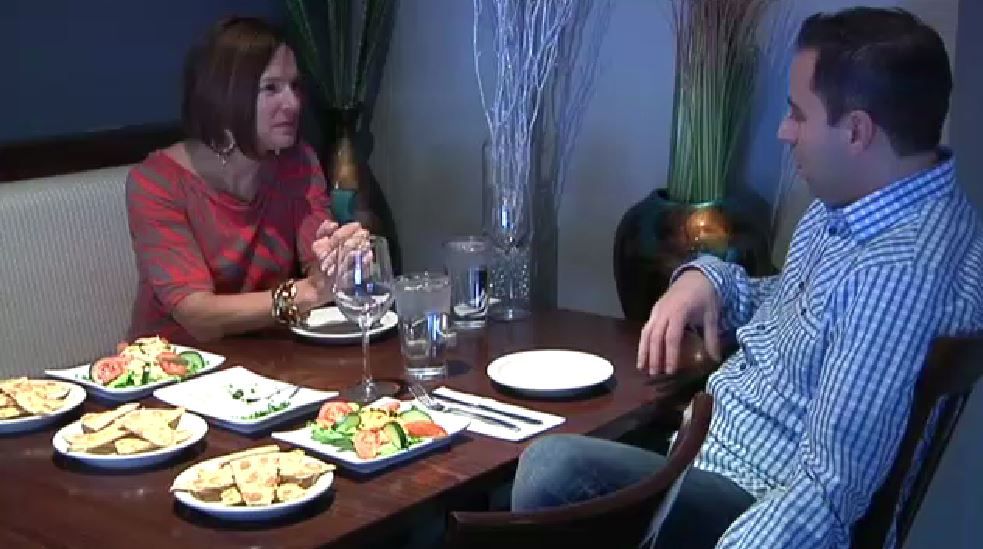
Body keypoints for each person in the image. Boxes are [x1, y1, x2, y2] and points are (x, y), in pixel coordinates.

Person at [512, 7, 982, 549]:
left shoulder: (896, 273)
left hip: (751, 504)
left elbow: (826, 494)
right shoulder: (867, 209)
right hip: (707, 450)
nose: (785, 132)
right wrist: (707, 280)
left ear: (856, 131)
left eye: (798, 114)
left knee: (549, 468)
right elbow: (791, 304)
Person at [126, 17, 365, 342]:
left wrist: (340, 259)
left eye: (294, 86)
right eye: (271, 88)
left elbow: (316, 262)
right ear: (224, 95)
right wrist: (306, 293)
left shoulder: (298, 161)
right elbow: (196, 313)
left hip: (273, 354)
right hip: (178, 364)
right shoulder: (157, 182)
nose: (293, 104)